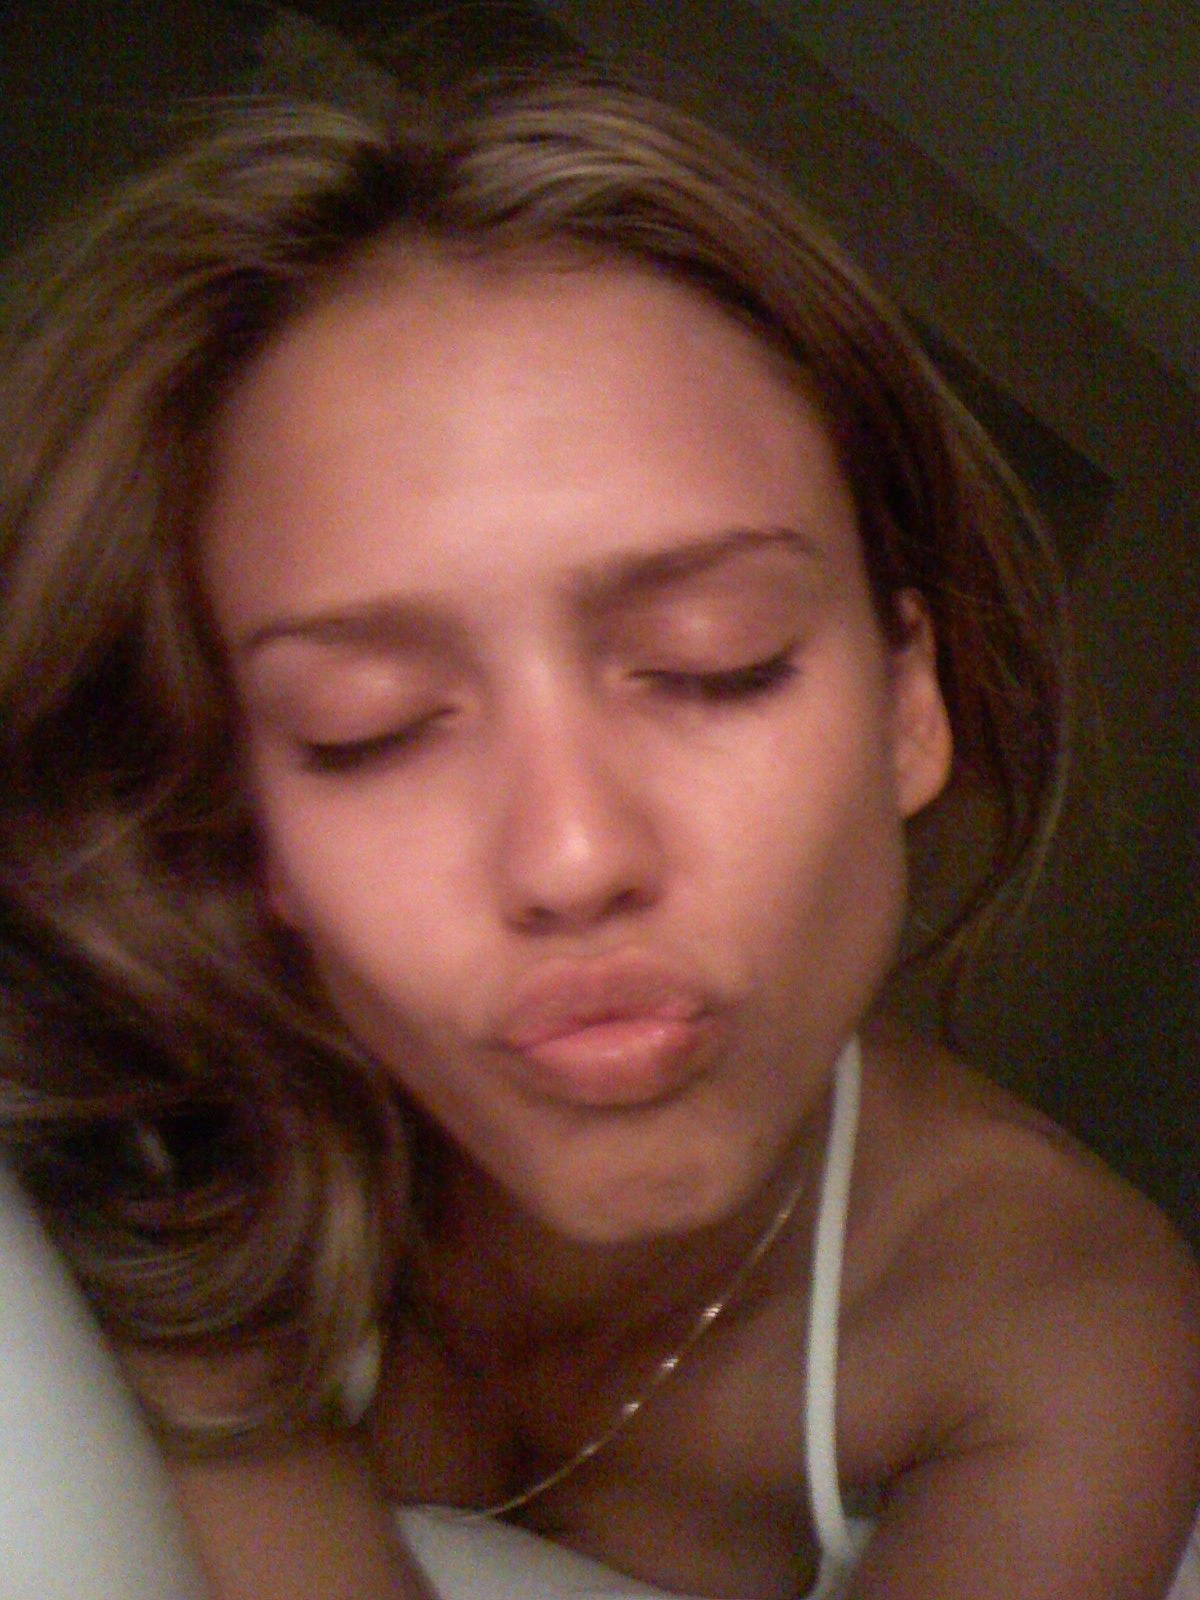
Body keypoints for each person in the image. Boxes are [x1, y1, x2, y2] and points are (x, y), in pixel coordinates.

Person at [1, 67, 1198, 1600]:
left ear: (910, 706)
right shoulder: (172, 1106)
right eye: (365, 728)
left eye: (716, 661)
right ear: (247, 824)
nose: (571, 857)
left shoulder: (1066, 1330)